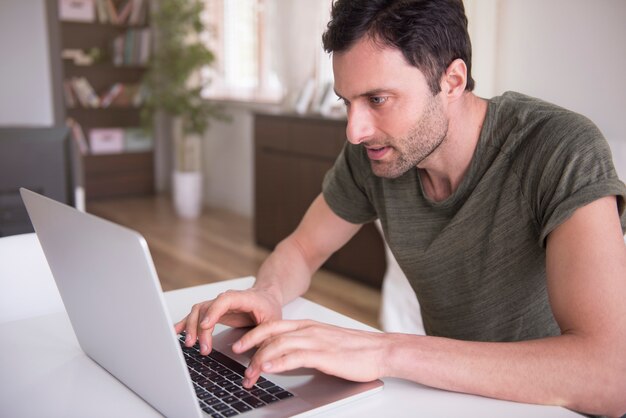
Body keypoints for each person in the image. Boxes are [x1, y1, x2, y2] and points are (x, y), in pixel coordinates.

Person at [175, 0, 626, 416]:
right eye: (347, 102)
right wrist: (267, 294)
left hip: (552, 406)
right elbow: (302, 248)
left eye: (377, 99)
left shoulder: (560, 148)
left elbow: (610, 375)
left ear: (451, 81)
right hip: (448, 397)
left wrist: (385, 351)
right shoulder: (375, 155)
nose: (355, 130)